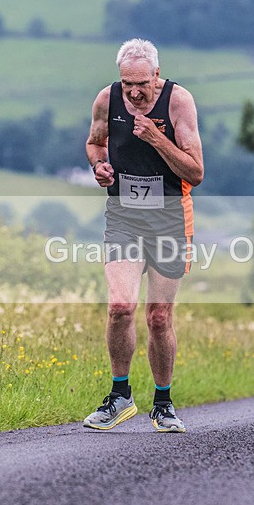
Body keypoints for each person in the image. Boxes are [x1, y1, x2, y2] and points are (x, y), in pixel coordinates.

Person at [83, 38, 204, 433]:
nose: (134, 92)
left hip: (170, 218)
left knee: (158, 316)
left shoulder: (177, 102)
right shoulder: (108, 99)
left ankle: (163, 403)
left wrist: (155, 137)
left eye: (142, 84)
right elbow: (95, 143)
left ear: (156, 74)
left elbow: (195, 172)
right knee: (120, 306)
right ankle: (120, 396)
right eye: (127, 83)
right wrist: (99, 166)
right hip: (124, 217)